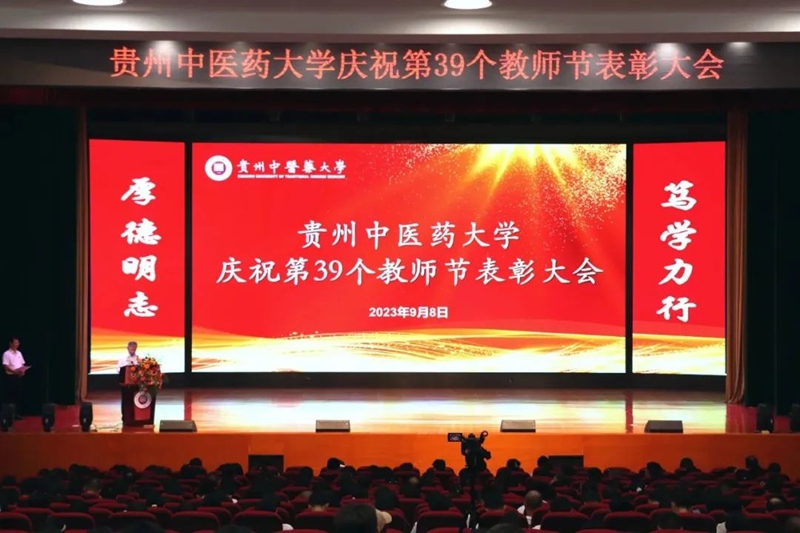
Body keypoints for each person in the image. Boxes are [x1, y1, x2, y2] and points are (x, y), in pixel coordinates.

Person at [2, 337, 27, 419]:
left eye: (18, 343)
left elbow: (22, 363)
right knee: (11, 396)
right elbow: (6, 366)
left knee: (18, 395)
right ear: (11, 343)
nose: (17, 344)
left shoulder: (19, 353)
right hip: (10, 377)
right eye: (15, 342)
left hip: (18, 377)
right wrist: (14, 371)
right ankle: (9, 415)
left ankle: (16, 414)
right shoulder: (6, 354)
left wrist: (23, 371)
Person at [117, 341, 140, 422]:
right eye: (131, 348)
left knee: (135, 399)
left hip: (135, 383)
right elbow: (118, 369)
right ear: (127, 348)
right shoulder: (122, 358)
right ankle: (125, 417)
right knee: (125, 400)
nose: (133, 350)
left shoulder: (138, 358)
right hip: (125, 383)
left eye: (134, 348)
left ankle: (134, 416)